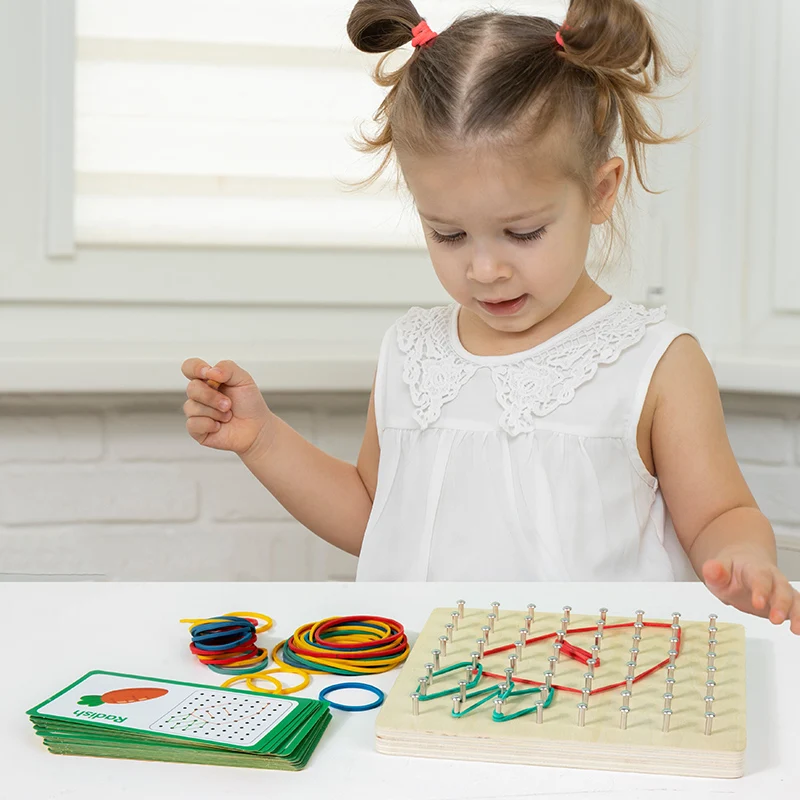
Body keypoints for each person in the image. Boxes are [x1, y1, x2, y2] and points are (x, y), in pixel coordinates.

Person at [181, 0, 799, 632]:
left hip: (591, 696)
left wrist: (743, 561)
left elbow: (719, 513)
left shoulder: (654, 362)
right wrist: (262, 439)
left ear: (601, 190)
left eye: (522, 233)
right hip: (423, 692)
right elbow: (375, 516)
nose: (483, 269)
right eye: (448, 235)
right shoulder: (412, 352)